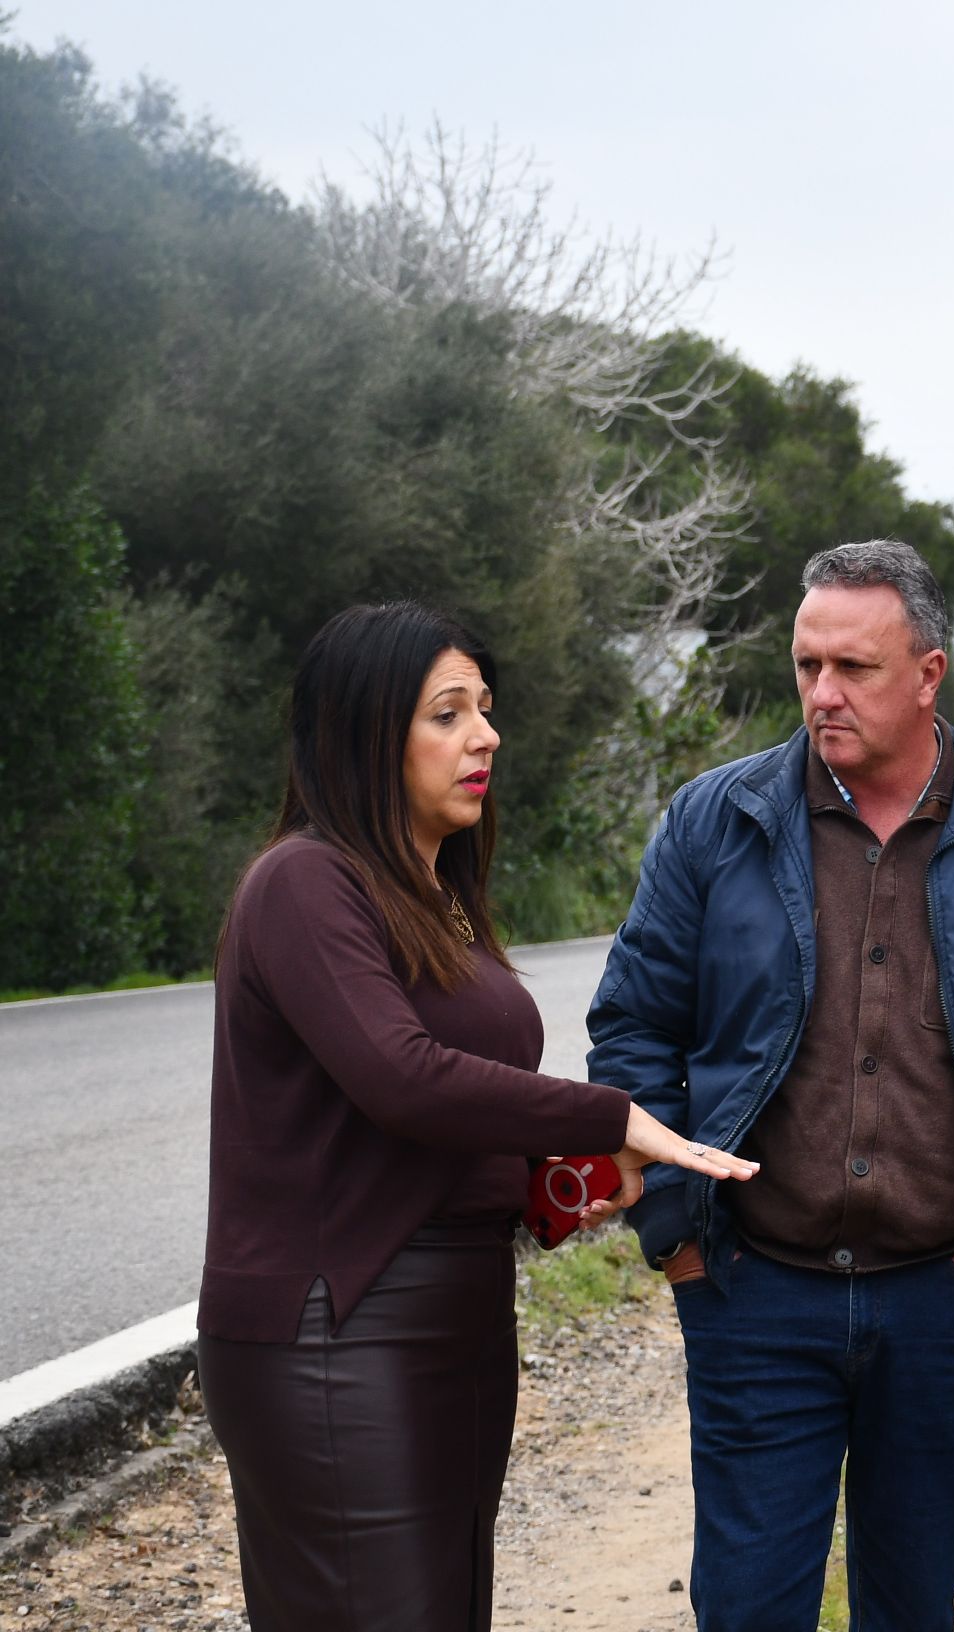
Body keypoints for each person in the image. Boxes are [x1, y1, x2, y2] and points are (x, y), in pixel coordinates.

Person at [588, 539, 954, 1632]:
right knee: (747, 1606)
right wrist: (679, 1235)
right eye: (806, 665)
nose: (823, 693)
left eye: (855, 667)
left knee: (911, 1602)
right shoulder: (717, 821)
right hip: (755, 1289)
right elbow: (634, 1027)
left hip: (944, 1292)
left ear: (929, 673)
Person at [197, 601, 750, 1632]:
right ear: (365, 736)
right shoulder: (301, 883)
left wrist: (543, 1174)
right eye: (447, 712)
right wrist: (610, 1115)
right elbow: (402, 1077)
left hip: (455, 1310)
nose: (485, 733)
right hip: (336, 1325)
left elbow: (438, 1115)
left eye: (485, 709)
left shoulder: (435, 891)